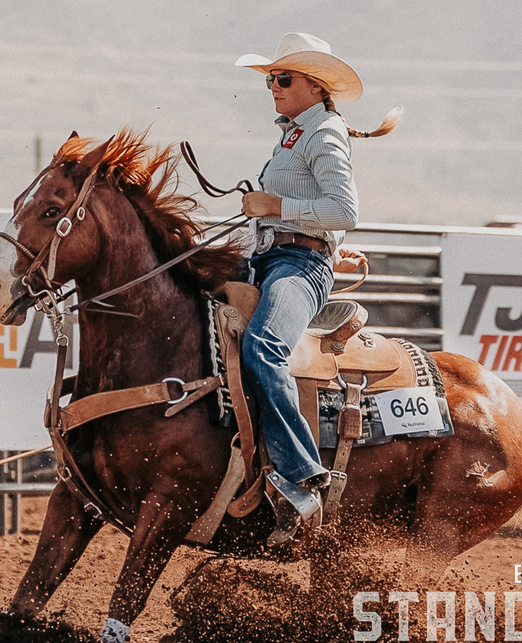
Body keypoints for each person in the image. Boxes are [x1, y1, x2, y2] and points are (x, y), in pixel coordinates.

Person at [233, 32, 401, 545]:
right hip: (273, 258)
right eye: (270, 79)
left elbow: (344, 210)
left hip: (297, 266)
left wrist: (278, 210)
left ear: (314, 85)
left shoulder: (324, 132)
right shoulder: (293, 135)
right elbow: (318, 210)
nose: (273, 87)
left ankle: (302, 475)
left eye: (282, 78)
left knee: (263, 346)